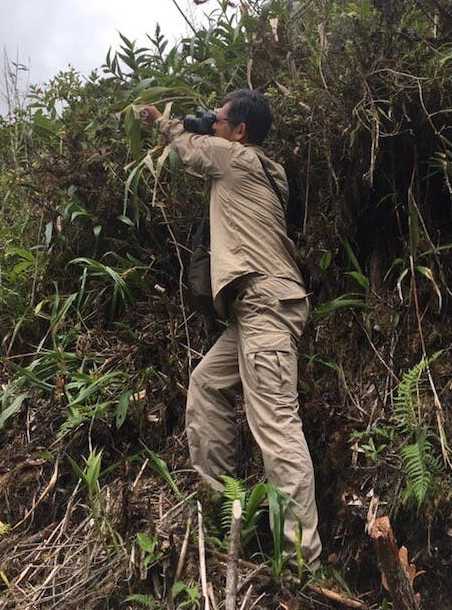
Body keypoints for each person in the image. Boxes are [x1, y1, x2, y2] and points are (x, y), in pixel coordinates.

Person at [140, 90, 321, 571]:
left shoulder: (234, 158)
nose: (212, 126)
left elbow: (186, 148)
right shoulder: (270, 171)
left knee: (276, 425)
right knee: (206, 384)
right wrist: (207, 122)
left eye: (219, 120)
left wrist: (165, 120)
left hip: (264, 302)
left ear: (240, 131)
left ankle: (302, 563)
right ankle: (226, 513)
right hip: (257, 307)